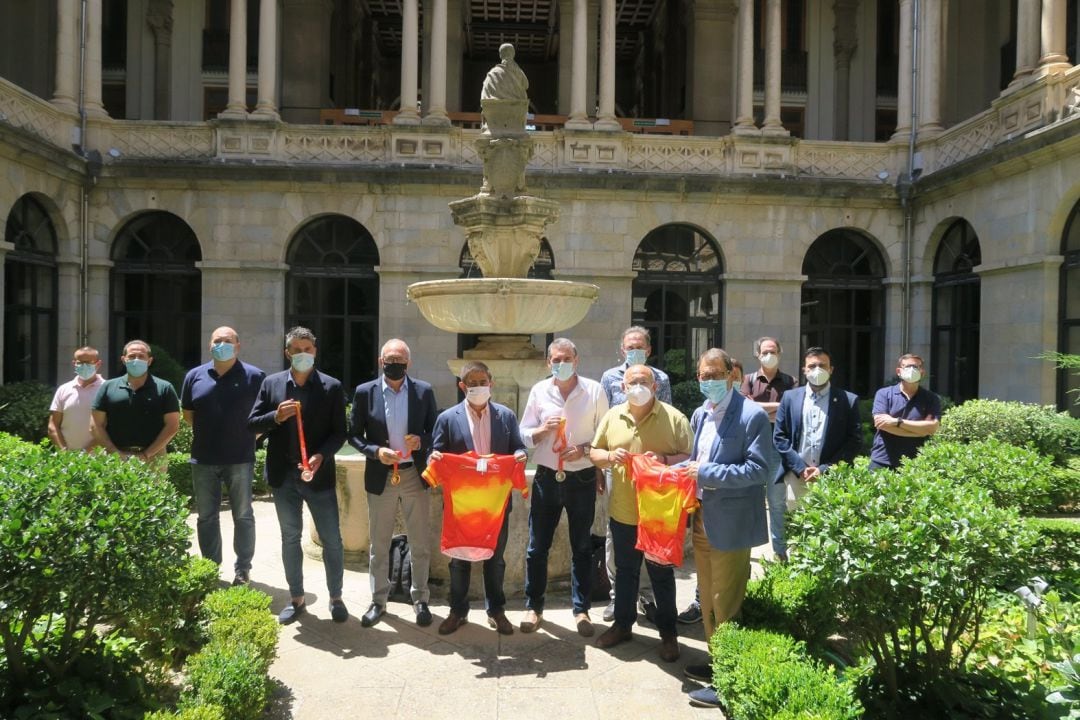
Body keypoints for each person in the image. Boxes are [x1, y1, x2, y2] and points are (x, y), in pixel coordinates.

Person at [680, 349, 773, 708]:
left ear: (732, 375)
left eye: (714, 374)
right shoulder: (701, 413)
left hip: (732, 522)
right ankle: (719, 662)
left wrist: (705, 473)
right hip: (702, 517)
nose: (708, 381)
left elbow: (758, 470)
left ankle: (729, 683)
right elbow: (696, 460)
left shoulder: (751, 417)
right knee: (707, 598)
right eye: (702, 375)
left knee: (727, 600)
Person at [590, 364, 692, 663]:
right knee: (625, 573)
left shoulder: (674, 418)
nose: (637, 386)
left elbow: (691, 458)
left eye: (643, 381)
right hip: (624, 511)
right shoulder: (613, 416)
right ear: (623, 387)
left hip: (660, 516)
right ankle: (623, 625)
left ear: (655, 386)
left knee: (661, 575)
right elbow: (594, 453)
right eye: (632, 382)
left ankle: (668, 633)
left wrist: (663, 459)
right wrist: (609, 456)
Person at [248, 327, 348, 625]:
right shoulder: (272, 384)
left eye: (308, 348)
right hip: (283, 475)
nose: (302, 353)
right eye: (296, 349)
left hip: (317, 475)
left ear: (315, 351)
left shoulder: (331, 386)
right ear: (287, 353)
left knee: (332, 539)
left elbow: (339, 433)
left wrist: (320, 456)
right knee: (290, 538)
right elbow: (252, 423)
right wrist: (276, 416)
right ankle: (296, 598)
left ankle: (336, 597)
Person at [518, 338, 609, 637]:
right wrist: (542, 431)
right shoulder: (539, 390)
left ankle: (581, 610)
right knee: (536, 547)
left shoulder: (594, 390)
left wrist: (584, 450)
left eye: (566, 358)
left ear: (577, 359)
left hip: (581, 477)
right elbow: (523, 432)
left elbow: (604, 435)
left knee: (581, 546)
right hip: (546, 476)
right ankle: (534, 608)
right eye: (555, 360)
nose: (561, 364)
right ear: (548, 363)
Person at [430, 361, 527, 636]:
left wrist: (521, 455)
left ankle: (496, 610)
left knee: (495, 560)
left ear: (491, 383)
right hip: (462, 506)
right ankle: (457, 611)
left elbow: (518, 447)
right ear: (462, 386)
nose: (477, 387)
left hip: (496, 506)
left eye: (482, 381)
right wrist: (433, 458)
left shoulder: (506, 416)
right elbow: (435, 452)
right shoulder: (447, 418)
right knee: (458, 559)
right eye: (471, 383)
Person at [348, 339, 438, 628]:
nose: (394, 364)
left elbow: (435, 431)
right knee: (379, 542)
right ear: (380, 361)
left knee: (420, 541)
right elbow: (354, 435)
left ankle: (420, 599)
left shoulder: (423, 391)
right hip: (381, 474)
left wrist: (421, 440)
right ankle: (378, 601)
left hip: (413, 474)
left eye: (400, 360)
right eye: (390, 359)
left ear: (408, 363)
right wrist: (375, 452)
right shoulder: (365, 392)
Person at [181, 326, 265, 586]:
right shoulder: (194, 376)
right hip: (203, 458)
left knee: (242, 515)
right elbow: (188, 414)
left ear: (238, 345)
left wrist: (250, 438)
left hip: (240, 458)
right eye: (217, 341)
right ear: (210, 345)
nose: (222, 344)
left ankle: (243, 569)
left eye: (227, 341)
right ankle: (210, 568)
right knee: (206, 517)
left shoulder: (254, 376)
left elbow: (265, 415)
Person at [598, 326, 672, 623]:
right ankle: (617, 598)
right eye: (629, 347)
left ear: (649, 349)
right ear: (621, 349)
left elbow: (665, 417)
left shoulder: (661, 379)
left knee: (649, 531)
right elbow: (602, 424)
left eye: (639, 346)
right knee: (615, 535)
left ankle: (647, 596)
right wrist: (601, 468)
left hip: (652, 472)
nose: (634, 350)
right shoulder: (609, 378)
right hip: (618, 469)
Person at [773, 347, 862, 509]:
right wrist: (800, 468)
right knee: (797, 528)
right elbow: (780, 437)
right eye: (812, 366)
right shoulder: (789, 398)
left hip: (833, 477)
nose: (817, 370)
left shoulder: (848, 400)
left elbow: (854, 441)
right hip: (797, 477)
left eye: (822, 365)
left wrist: (824, 469)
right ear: (804, 370)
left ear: (831, 369)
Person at [740, 337, 798, 563]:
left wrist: (760, 407)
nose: (769, 355)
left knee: (776, 501)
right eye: (765, 351)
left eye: (773, 351)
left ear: (780, 353)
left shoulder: (790, 381)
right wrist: (778, 408)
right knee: (748, 498)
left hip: (777, 445)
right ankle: (743, 547)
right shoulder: (749, 380)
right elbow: (746, 408)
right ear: (758, 354)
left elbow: (790, 410)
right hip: (752, 444)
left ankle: (780, 550)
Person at [91, 339, 180, 470]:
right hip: (114, 458)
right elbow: (95, 425)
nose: (136, 360)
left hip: (154, 458)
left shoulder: (165, 388)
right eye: (131, 356)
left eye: (141, 356)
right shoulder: (108, 387)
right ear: (123, 359)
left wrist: (146, 454)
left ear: (149, 361)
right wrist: (115, 453)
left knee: (154, 491)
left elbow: (172, 426)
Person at [869, 354, 942, 470]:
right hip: (882, 461)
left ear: (922, 373)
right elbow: (881, 424)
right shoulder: (884, 394)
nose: (912, 370)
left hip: (916, 463)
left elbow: (932, 428)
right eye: (907, 366)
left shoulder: (931, 398)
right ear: (899, 371)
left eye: (916, 367)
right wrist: (919, 432)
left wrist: (897, 422)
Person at [48, 345, 104, 451]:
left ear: (98, 364)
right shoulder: (63, 389)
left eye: (88, 362)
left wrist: (85, 453)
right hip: (68, 460)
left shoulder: (107, 389)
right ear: (74, 364)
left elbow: (109, 427)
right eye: (80, 363)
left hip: (100, 459)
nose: (84, 366)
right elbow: (53, 425)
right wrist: (64, 453)